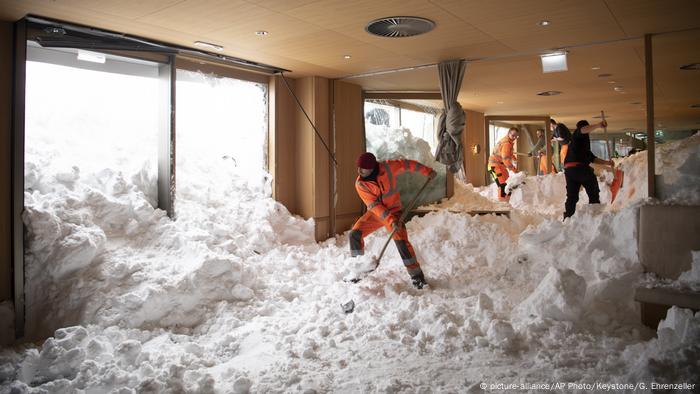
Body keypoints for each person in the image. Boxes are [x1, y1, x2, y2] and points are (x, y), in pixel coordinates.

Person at [349, 152, 436, 289]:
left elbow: (408, 164)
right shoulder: (360, 184)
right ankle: (357, 270)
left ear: (372, 168)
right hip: (377, 214)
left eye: (363, 168)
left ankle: (417, 277)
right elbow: (375, 206)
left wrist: (427, 171)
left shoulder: (388, 168)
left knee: (401, 242)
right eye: (358, 168)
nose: (359, 171)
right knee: (354, 234)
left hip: (394, 212)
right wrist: (390, 220)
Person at [562, 119, 615, 219]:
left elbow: (593, 159)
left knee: (572, 196)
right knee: (593, 189)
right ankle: (594, 212)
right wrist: (598, 125)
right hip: (579, 168)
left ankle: (568, 217)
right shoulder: (577, 135)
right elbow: (583, 130)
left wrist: (607, 163)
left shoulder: (583, 146)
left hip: (569, 171)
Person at [488, 127, 519, 201]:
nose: (514, 137)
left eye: (516, 136)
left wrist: (514, 159)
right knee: (502, 184)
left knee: (508, 182)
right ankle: (502, 203)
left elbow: (509, 153)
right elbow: (506, 160)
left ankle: (507, 200)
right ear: (509, 133)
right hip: (494, 166)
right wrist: (514, 170)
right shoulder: (506, 144)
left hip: (501, 166)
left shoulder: (509, 142)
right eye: (513, 135)